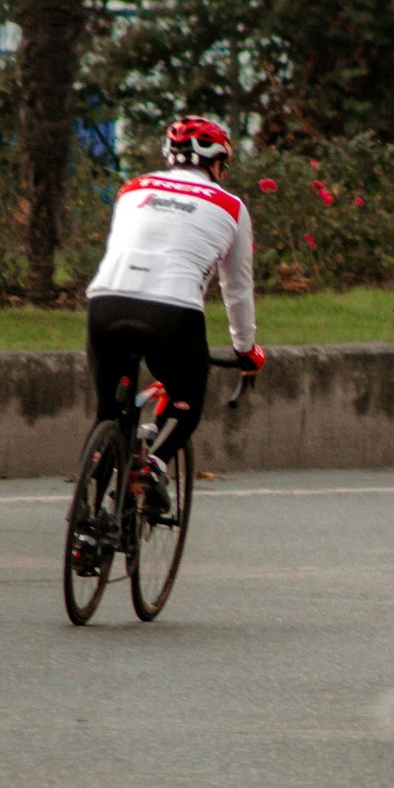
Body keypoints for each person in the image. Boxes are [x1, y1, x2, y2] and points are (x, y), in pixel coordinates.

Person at [84, 117, 264, 504]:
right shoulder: (230, 206)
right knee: (187, 397)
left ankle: (87, 523)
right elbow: (236, 289)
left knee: (108, 412)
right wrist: (246, 348)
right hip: (172, 309)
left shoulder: (133, 189)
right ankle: (155, 465)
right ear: (215, 162)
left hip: (106, 300)